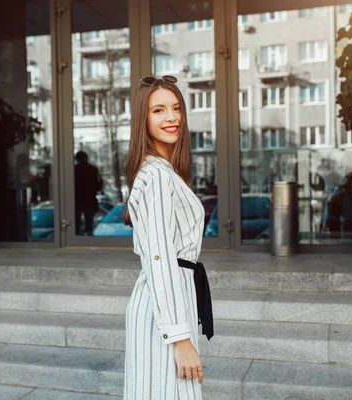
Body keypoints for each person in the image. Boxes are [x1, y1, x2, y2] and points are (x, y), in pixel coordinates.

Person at [123, 75, 214, 400]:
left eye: (176, 108)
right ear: (142, 119)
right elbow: (159, 256)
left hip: (167, 302)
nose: (172, 117)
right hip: (165, 309)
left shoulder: (161, 172)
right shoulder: (157, 177)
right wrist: (180, 337)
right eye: (158, 110)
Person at [74, 150, 102, 236]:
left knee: (76, 224)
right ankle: (89, 237)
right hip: (90, 200)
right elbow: (98, 186)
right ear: (86, 158)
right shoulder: (93, 169)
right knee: (89, 224)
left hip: (77, 200)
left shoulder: (73, 170)